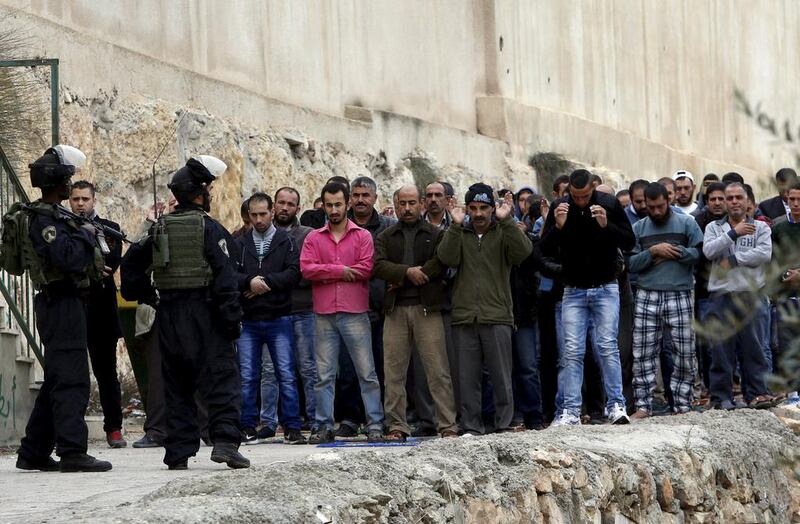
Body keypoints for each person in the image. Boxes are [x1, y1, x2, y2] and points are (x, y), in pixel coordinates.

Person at [121, 156, 249, 469]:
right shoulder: (211, 230)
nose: (211, 194)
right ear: (198, 193)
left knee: (176, 384)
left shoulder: (156, 230)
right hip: (206, 314)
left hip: (169, 315)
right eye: (208, 188)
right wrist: (231, 322)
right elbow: (226, 280)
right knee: (222, 380)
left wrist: (148, 296)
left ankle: (178, 451)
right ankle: (225, 443)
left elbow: (130, 270)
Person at [14, 145, 112, 472]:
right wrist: (85, 236)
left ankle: (33, 451)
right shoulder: (44, 219)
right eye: (68, 179)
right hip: (60, 301)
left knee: (57, 379)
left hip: (66, 301)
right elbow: (66, 258)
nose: (72, 185)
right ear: (60, 183)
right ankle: (73, 451)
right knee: (72, 380)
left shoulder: (56, 215)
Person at [540, 169, 634, 426]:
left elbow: (629, 241)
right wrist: (558, 228)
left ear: (593, 188)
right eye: (575, 196)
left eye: (585, 196)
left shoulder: (609, 204)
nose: (580, 200)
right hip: (573, 289)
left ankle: (616, 405)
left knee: (606, 346)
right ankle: (570, 411)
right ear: (569, 190)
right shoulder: (561, 206)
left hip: (605, 287)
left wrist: (607, 226)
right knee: (571, 351)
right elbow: (543, 250)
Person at [436, 183, 532, 435]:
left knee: (501, 377)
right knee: (467, 379)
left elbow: (523, 253)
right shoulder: (460, 232)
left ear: (492, 208)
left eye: (484, 208)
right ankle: (471, 426)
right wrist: (455, 226)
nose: (478, 214)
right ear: (467, 208)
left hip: (497, 315)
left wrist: (508, 220)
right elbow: (446, 258)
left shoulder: (503, 231)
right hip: (464, 316)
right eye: (473, 208)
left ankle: (503, 425)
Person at [300, 182, 384, 443]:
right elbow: (306, 269)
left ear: (347, 204)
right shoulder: (314, 237)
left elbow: (365, 269)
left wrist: (325, 271)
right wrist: (339, 271)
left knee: (366, 372)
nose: (334, 210)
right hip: (324, 313)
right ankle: (323, 426)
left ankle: (375, 425)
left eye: (338, 204)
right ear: (323, 205)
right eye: (329, 205)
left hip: (355, 311)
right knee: (324, 374)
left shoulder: (362, 236)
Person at [373, 185, 458, 441]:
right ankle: (397, 426)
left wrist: (406, 275)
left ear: (421, 204)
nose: (407, 208)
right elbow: (378, 266)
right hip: (395, 310)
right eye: (403, 203)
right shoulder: (386, 236)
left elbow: (441, 263)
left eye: (412, 203)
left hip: (427, 310)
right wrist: (407, 272)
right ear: (396, 205)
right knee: (394, 372)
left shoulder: (436, 234)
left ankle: (448, 426)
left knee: (438, 370)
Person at [628, 183, 703, 418]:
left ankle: (682, 405)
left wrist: (675, 252)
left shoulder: (687, 223)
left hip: (679, 292)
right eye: (652, 207)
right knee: (643, 352)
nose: (657, 211)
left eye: (661, 206)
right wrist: (652, 252)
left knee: (685, 350)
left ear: (668, 200)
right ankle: (643, 405)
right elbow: (631, 264)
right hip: (647, 293)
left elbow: (699, 254)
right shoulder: (638, 227)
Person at [235, 192, 304, 444]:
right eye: (253, 215)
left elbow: (294, 273)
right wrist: (247, 282)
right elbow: (231, 275)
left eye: (263, 214)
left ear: (272, 211)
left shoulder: (286, 240)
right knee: (248, 376)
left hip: (279, 317)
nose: (258, 219)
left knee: (286, 373)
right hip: (249, 320)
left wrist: (263, 283)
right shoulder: (240, 242)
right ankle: (247, 426)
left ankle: (292, 427)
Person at [703, 182, 777, 410]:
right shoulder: (714, 227)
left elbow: (764, 253)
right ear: (724, 202)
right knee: (721, 348)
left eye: (738, 197)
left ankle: (756, 394)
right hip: (721, 294)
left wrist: (734, 259)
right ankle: (721, 397)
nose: (734, 201)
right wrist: (733, 233)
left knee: (753, 347)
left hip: (750, 294)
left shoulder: (761, 228)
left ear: (747, 201)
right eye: (730, 198)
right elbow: (709, 251)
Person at [334, 176, 395, 437]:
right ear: (349, 200)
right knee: (348, 369)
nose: (360, 200)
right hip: (349, 308)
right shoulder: (340, 228)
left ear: (375, 198)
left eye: (365, 195)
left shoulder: (389, 228)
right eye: (356, 195)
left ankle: (380, 420)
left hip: (382, 309)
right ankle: (350, 418)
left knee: (382, 367)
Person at [69, 180, 126, 448]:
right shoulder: (64, 227)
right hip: (74, 310)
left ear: (94, 201)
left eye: (85, 199)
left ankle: (114, 428)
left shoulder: (110, 229)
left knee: (107, 374)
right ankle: (71, 431)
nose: (80, 204)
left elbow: (108, 264)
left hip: (102, 311)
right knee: (73, 374)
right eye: (76, 199)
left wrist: (84, 268)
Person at [273, 186, 318, 429]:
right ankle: (279, 420)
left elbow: (308, 272)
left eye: (290, 204)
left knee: (308, 367)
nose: (285, 207)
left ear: (297, 208)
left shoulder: (309, 234)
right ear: (274, 205)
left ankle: (313, 418)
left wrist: (281, 278)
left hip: (304, 309)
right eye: (281, 202)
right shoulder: (263, 235)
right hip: (274, 310)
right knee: (276, 370)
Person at [770, 181, 800, 384]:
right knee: (787, 344)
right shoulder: (779, 226)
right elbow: (771, 260)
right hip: (786, 295)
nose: (796, 204)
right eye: (792, 199)